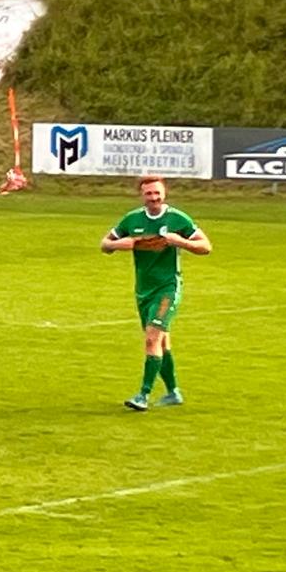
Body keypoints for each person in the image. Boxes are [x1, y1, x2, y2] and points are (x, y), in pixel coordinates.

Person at [100, 176, 212, 411]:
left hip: (167, 288)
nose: (154, 198)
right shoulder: (132, 219)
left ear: (164, 193)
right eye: (149, 193)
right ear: (142, 195)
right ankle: (173, 393)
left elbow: (206, 247)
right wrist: (121, 244)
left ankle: (143, 395)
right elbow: (105, 244)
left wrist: (182, 242)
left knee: (152, 338)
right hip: (144, 291)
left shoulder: (177, 219)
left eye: (157, 193)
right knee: (161, 341)